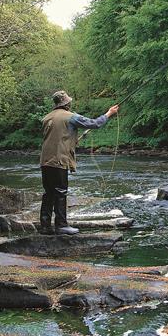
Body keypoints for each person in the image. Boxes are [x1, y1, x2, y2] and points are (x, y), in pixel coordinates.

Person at [39, 90, 119, 235]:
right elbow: (94, 124)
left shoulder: (46, 118)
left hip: (45, 161)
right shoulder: (70, 117)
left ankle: (45, 226)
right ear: (66, 104)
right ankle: (61, 226)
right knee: (60, 192)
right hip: (59, 160)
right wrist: (109, 113)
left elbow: (58, 136)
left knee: (49, 193)